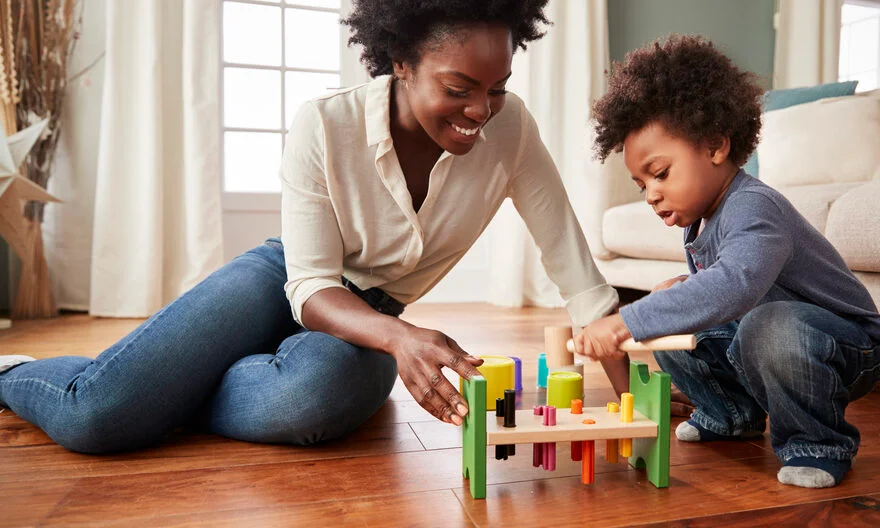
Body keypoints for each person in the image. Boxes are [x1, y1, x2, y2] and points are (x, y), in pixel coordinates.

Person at [0, 0, 618, 454]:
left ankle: (163, 392)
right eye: (459, 88)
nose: (481, 111)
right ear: (401, 62)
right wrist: (404, 339)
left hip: (371, 319)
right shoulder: (324, 125)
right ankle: (18, 375)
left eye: (497, 87)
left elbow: (577, 273)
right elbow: (311, 286)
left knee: (311, 402)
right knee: (95, 420)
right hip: (285, 278)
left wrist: (633, 392)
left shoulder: (510, 132)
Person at [572, 35, 880, 489]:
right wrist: (668, 299)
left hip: (845, 349)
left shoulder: (755, 207)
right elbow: (715, 301)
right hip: (765, 340)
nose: (651, 194)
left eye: (661, 173)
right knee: (673, 308)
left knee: (755, 324)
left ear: (715, 147)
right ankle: (730, 415)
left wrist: (624, 321)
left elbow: (737, 285)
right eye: (640, 183)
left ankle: (817, 443)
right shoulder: (702, 220)